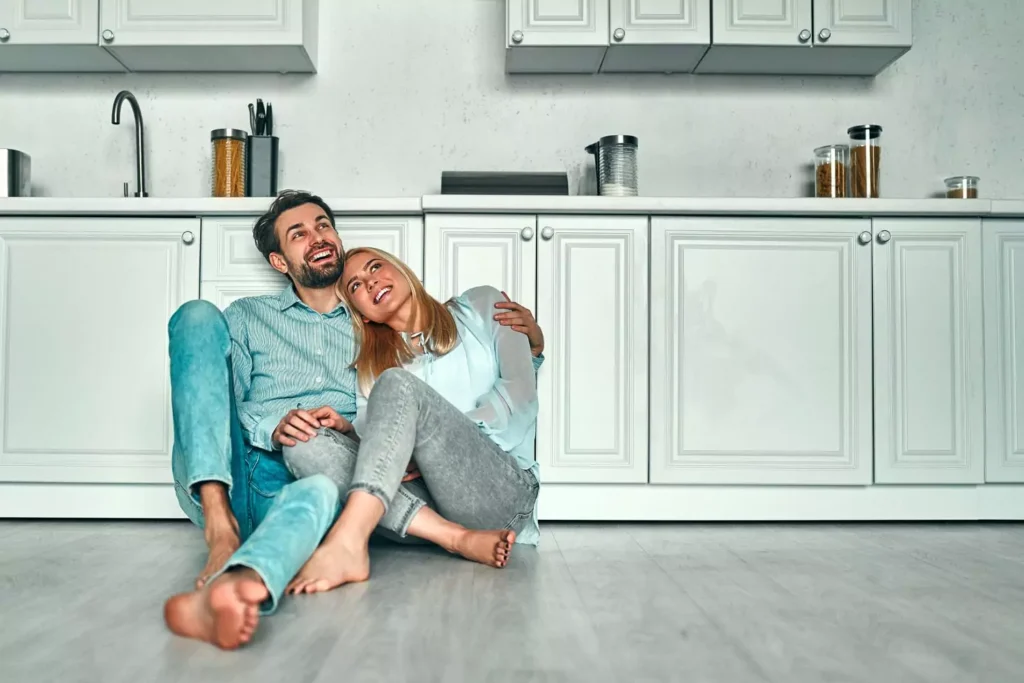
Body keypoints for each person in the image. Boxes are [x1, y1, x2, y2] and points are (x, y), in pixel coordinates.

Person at [162, 191, 544, 650]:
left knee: (313, 464)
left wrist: (532, 347)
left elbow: (432, 374)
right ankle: (221, 529)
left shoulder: (376, 331)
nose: (317, 237)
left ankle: (233, 586)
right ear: (280, 262)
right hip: (239, 472)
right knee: (197, 318)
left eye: (323, 225)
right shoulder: (248, 316)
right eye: (298, 234)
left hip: (323, 484)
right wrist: (272, 424)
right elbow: (217, 398)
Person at [280, 246, 541, 595]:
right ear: (363, 314)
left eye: (375, 267)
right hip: (427, 512)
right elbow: (385, 453)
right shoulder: (371, 368)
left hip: (499, 495)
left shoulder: (481, 305)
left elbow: (520, 399)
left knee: (398, 384)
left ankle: (348, 541)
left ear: (404, 271)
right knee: (301, 441)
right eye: (356, 286)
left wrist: (425, 442)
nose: (370, 282)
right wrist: (349, 431)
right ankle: (455, 538)